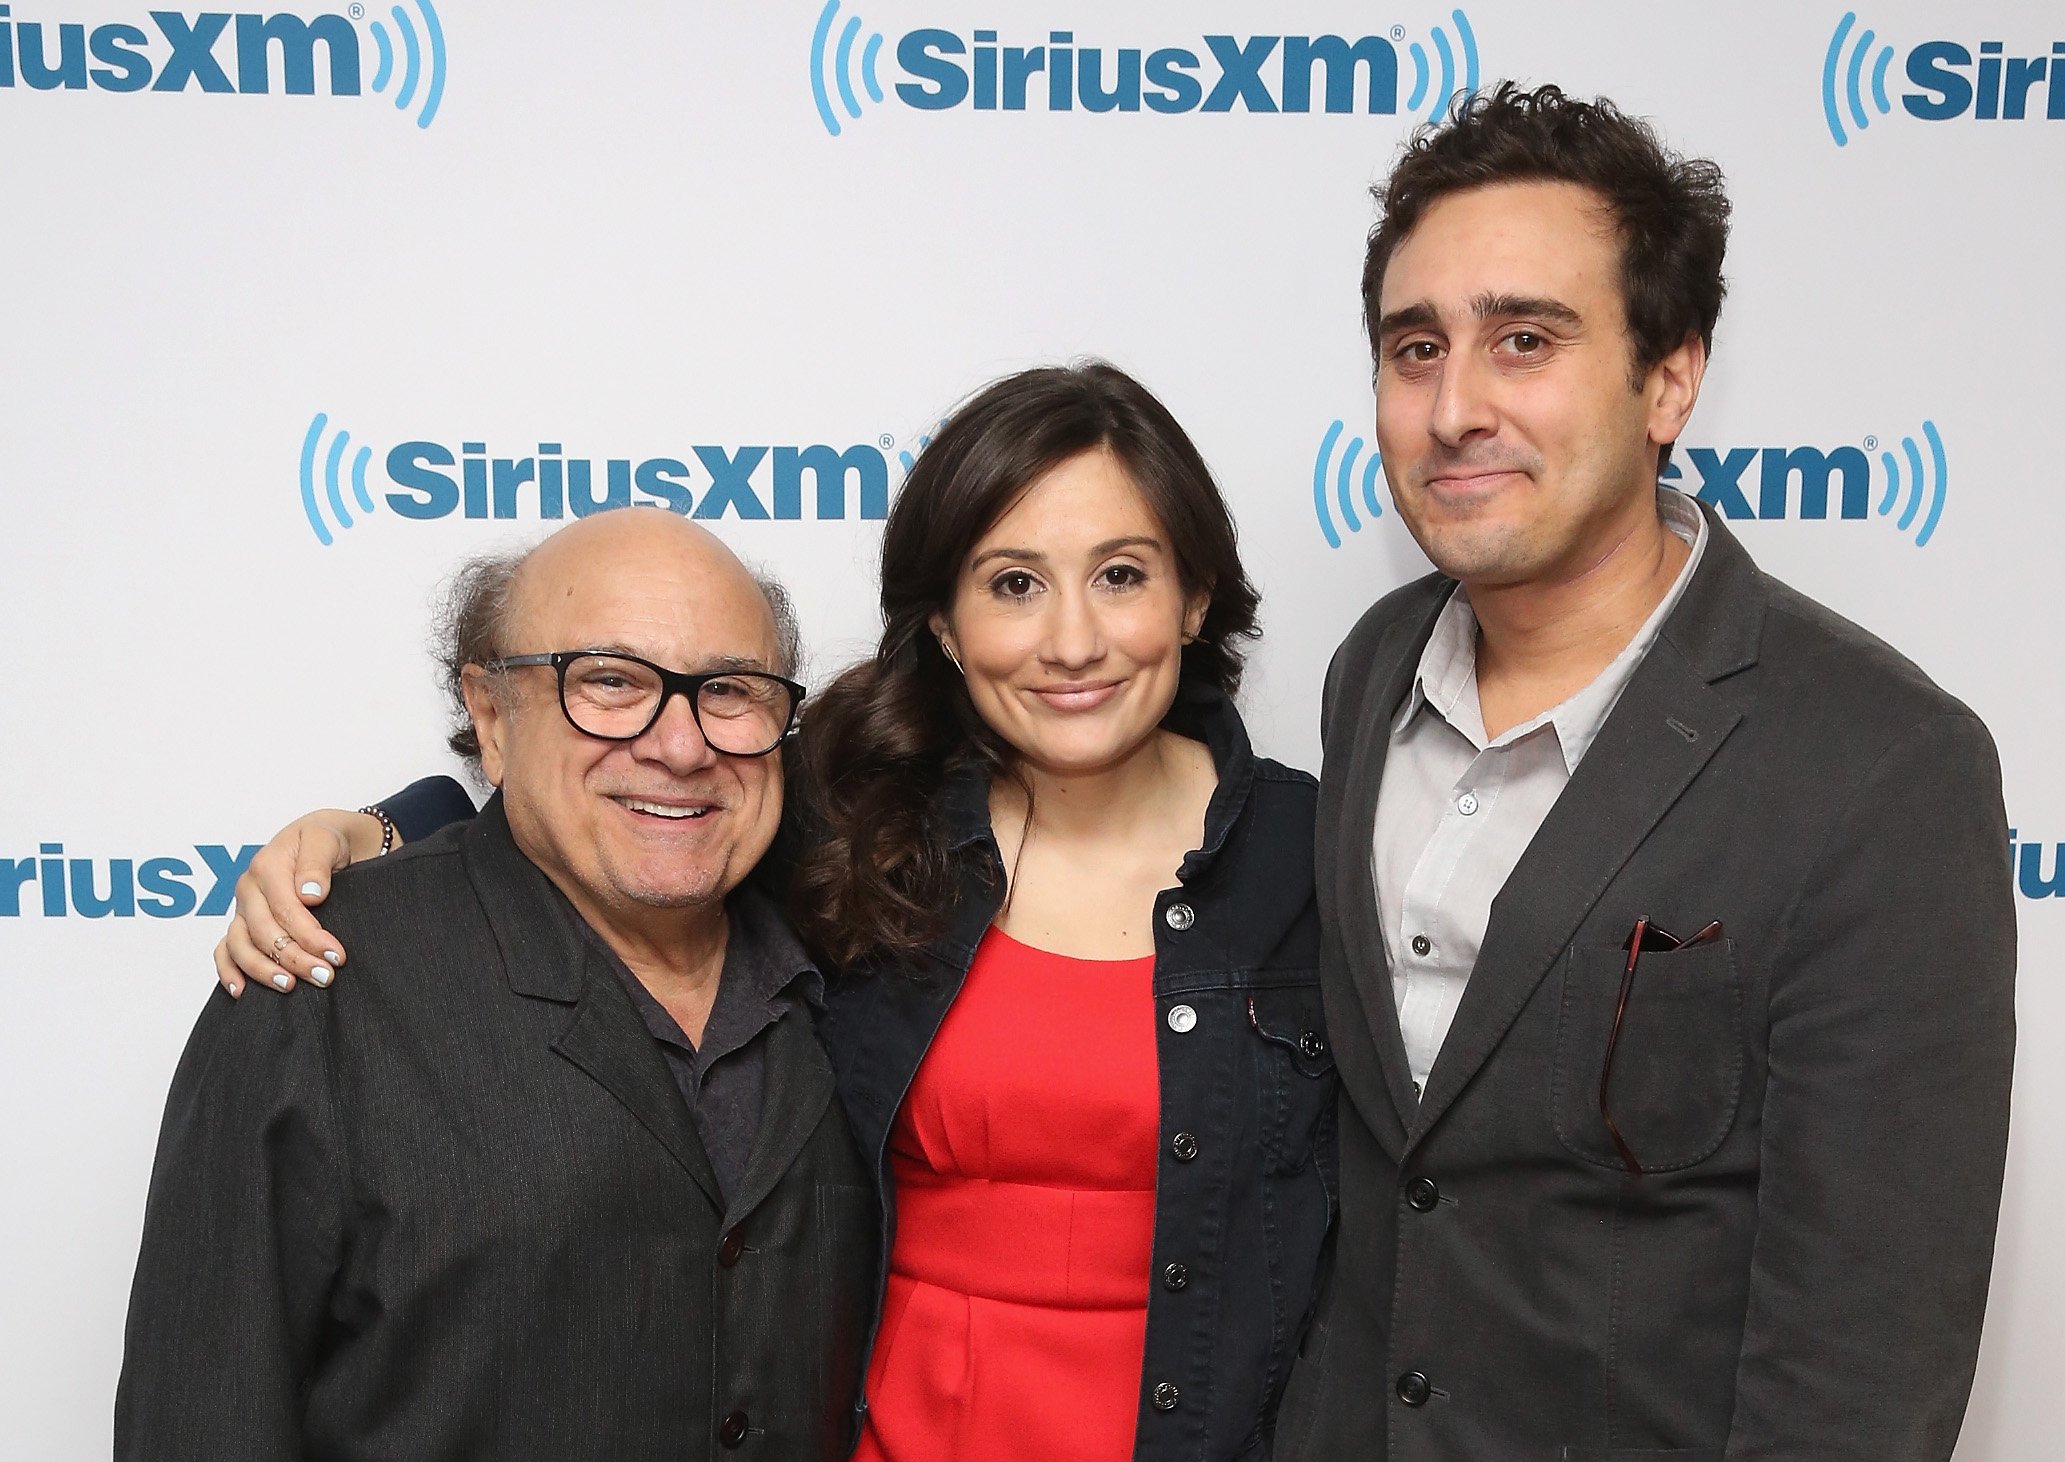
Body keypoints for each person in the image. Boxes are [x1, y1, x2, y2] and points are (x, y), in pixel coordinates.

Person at [211, 363, 1335, 1461]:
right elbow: (619, 801)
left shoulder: (1323, 859)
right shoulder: (861, 817)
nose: (1073, 641)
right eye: (1012, 583)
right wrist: (371, 832)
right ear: (943, 625)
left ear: (1193, 595)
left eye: (1122, 575)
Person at [1269, 84, 2016, 1459]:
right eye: (1412, 345)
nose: (1451, 407)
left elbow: (1863, 1359)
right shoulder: (1369, 671)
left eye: (1523, 340)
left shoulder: (1877, 767)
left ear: (1668, 375)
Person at [117, 511, 878, 1460]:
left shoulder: (860, 960)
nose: (680, 747)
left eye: (729, 690)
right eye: (609, 681)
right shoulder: (320, 984)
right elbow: (203, 1418)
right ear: (490, 715)